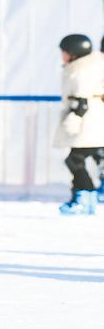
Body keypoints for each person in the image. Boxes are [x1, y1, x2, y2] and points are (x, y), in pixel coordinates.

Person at [53, 34, 104, 214]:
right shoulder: (88, 67)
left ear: (75, 54)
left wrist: (73, 120)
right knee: (78, 160)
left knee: (74, 160)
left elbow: (81, 102)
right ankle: (84, 197)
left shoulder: (81, 71)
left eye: (65, 52)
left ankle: (84, 196)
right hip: (93, 124)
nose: (62, 56)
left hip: (86, 125)